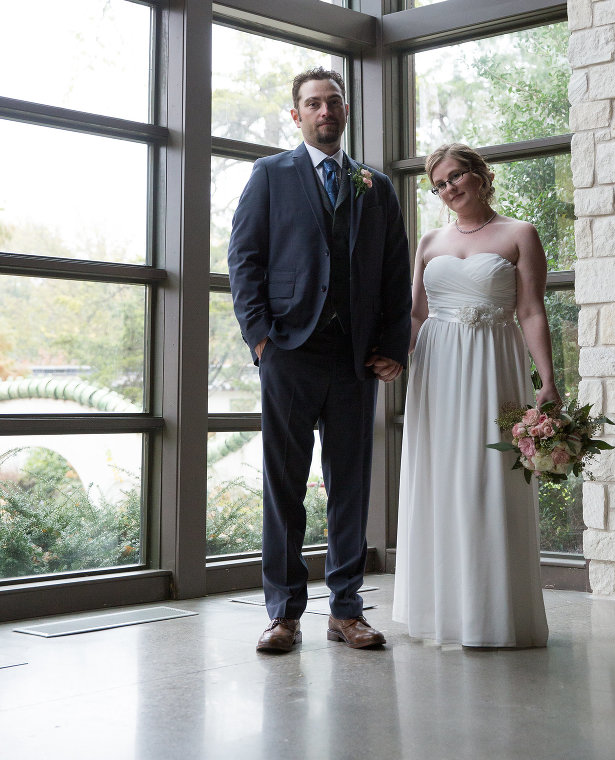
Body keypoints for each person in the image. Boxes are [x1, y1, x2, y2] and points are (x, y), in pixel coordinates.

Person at [228, 67, 412, 653]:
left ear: (346, 111)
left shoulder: (375, 186)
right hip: (289, 352)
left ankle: (346, 610)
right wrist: (260, 338)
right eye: (313, 104)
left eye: (333, 101)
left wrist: (391, 347)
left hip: (356, 360)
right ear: (297, 115)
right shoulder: (269, 176)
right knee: (283, 484)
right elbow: (245, 260)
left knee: (351, 485)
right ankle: (283, 614)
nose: (324, 111)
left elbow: (393, 273)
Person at [392, 142, 562, 648]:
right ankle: (445, 611)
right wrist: (393, 358)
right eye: (439, 184)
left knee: (490, 478)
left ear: (480, 175)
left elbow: (531, 311)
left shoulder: (519, 234)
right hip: (437, 370)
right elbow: (417, 315)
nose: (449, 190)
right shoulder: (428, 241)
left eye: (456, 177)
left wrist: (548, 380)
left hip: (494, 364)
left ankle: (496, 614)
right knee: (442, 477)